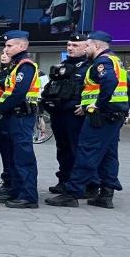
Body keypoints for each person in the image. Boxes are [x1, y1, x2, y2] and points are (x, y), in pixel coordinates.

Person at [46, 31, 128, 208]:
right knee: (108, 155)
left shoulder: (102, 62)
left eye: (88, 45)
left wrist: (97, 105)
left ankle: (72, 193)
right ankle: (106, 194)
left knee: (86, 152)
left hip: (101, 115)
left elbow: (109, 82)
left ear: (96, 46)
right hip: (114, 114)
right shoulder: (116, 61)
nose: (86, 49)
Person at [0, 30, 40, 208]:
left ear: (22, 46)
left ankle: (28, 196)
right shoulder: (15, 65)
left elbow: (19, 93)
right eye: (5, 45)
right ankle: (16, 191)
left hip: (21, 115)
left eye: (9, 45)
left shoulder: (26, 65)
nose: (6, 49)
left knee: (22, 157)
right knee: (11, 156)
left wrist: (1, 107)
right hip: (12, 115)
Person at [42, 34, 90, 194]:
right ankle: (64, 181)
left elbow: (95, 90)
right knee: (63, 149)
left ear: (86, 47)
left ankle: (82, 184)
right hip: (58, 113)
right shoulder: (62, 65)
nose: (70, 48)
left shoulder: (89, 67)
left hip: (76, 115)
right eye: (69, 45)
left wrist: (86, 106)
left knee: (78, 150)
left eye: (75, 45)